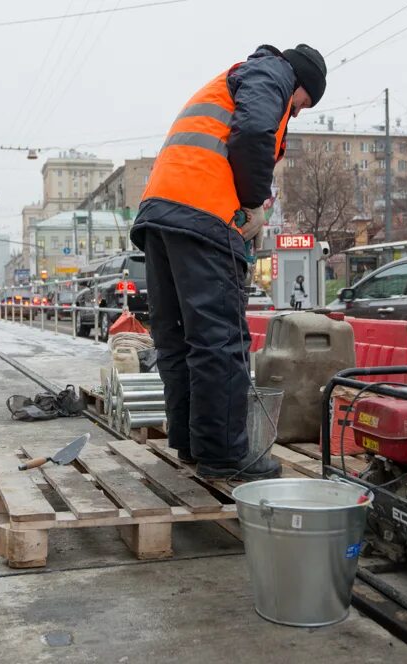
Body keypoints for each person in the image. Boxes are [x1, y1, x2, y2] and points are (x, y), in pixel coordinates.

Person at [130, 44, 327, 480]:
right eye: (300, 105)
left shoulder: (230, 80)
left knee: (179, 338)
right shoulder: (270, 73)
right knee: (219, 339)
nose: (293, 115)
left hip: (161, 215)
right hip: (204, 215)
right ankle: (225, 455)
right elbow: (255, 131)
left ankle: (193, 445)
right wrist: (252, 202)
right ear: (300, 84)